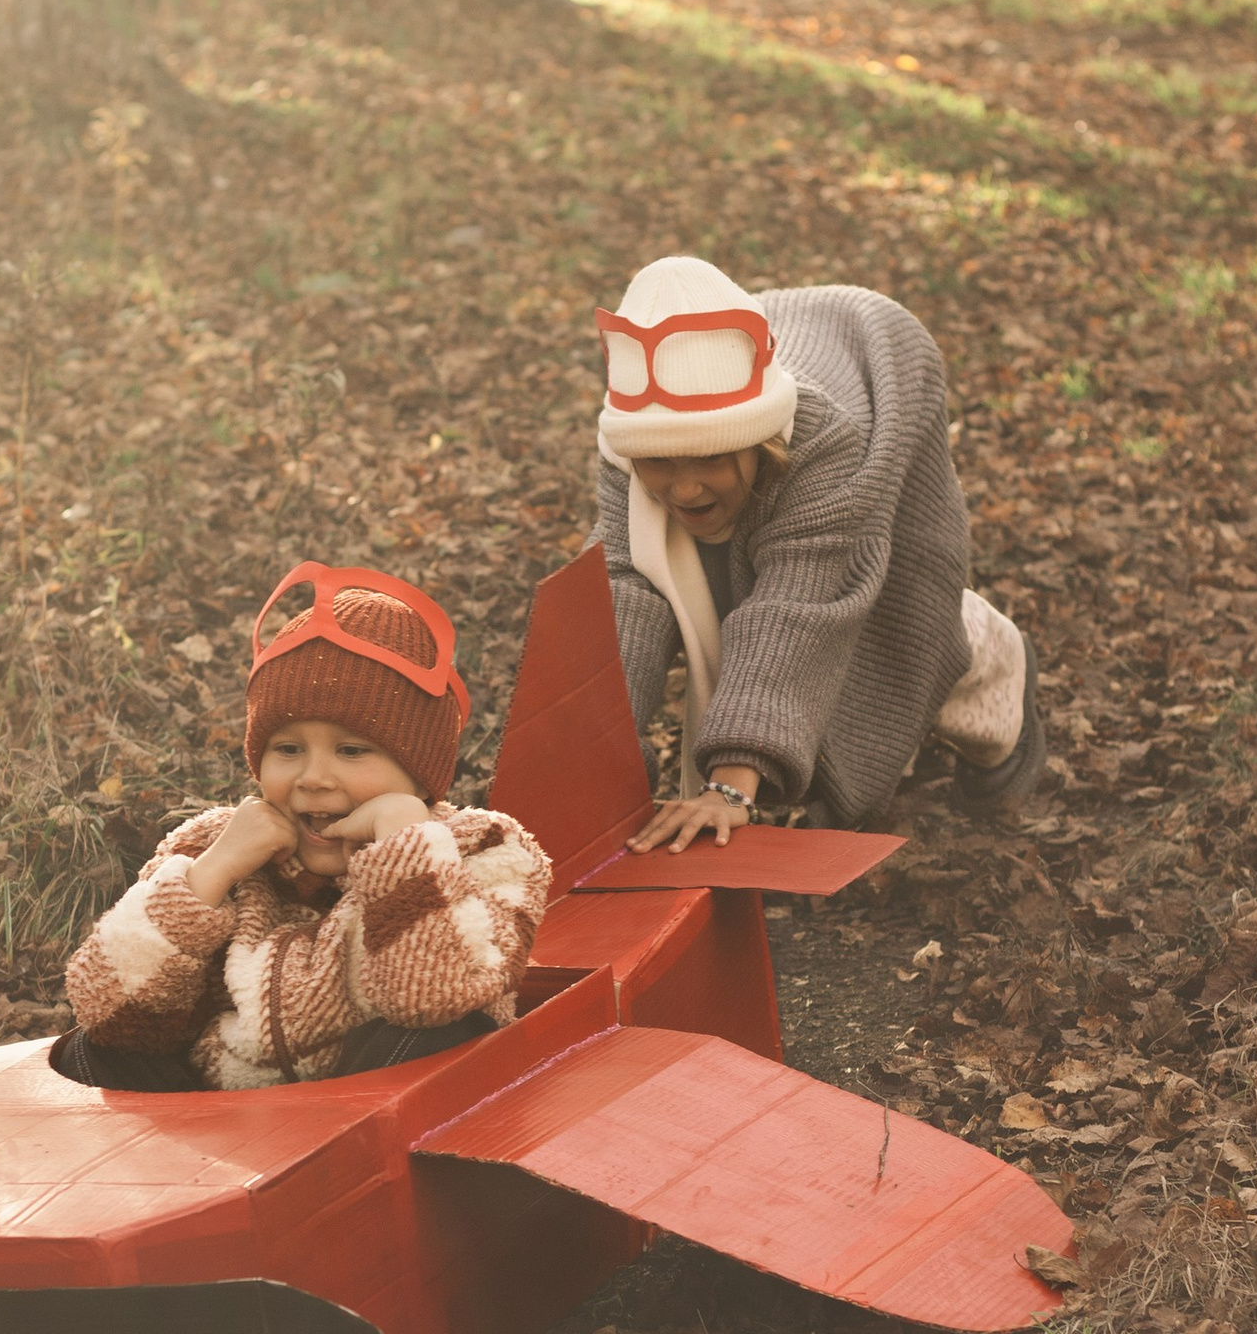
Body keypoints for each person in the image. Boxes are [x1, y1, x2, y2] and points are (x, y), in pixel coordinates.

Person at [594, 253, 1044, 847]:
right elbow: (624, 594)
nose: (682, 488)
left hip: (877, 358)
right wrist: (593, 757)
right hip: (755, 346)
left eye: (709, 457)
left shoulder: (828, 445)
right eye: (659, 464)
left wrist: (729, 787)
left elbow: (797, 611)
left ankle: (998, 663)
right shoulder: (628, 445)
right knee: (717, 589)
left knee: (897, 616)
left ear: (757, 438)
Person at [56, 565, 551, 1090]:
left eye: (352, 751)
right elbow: (105, 1007)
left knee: (443, 1036)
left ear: (419, 773)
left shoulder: (486, 849)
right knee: (91, 1052)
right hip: (221, 1126)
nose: (314, 779)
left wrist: (404, 844)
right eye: (288, 749)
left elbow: (435, 998)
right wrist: (212, 874)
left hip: (368, 1112)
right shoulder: (211, 850)